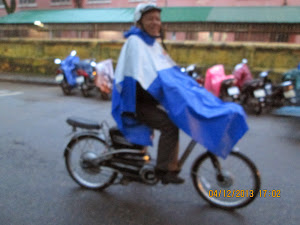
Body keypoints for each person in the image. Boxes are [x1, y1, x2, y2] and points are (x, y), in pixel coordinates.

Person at [112, 3, 248, 185]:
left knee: (180, 112)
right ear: (139, 22)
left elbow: (169, 73)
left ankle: (157, 163)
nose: (155, 22)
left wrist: (188, 87)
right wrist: (175, 92)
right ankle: (163, 169)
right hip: (136, 103)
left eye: (157, 19)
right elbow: (149, 79)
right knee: (169, 125)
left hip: (150, 100)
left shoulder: (150, 43)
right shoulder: (136, 43)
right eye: (150, 18)